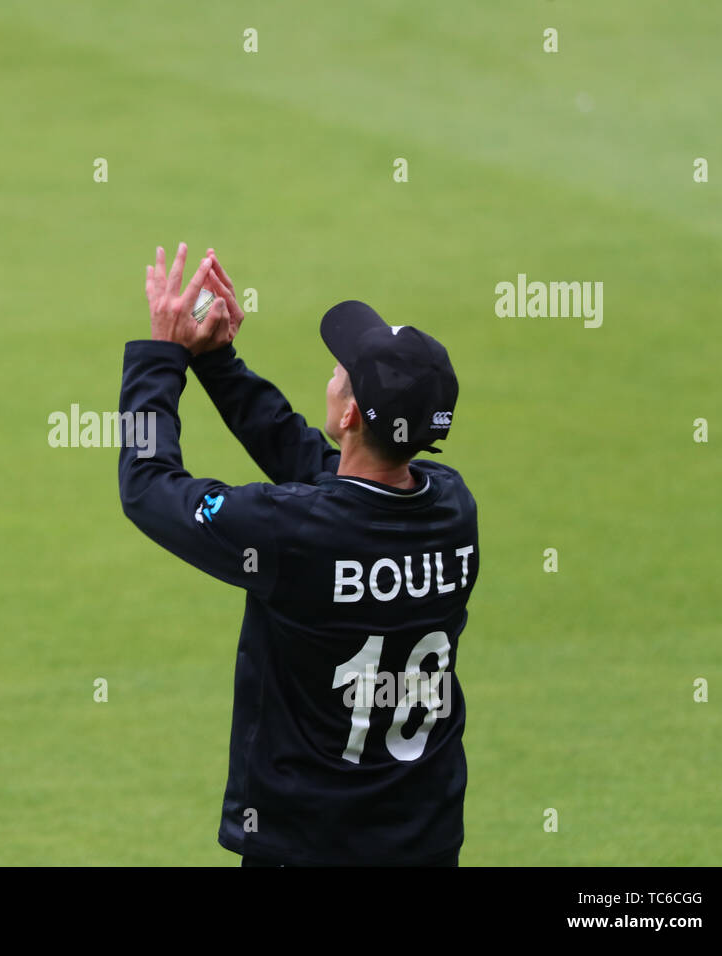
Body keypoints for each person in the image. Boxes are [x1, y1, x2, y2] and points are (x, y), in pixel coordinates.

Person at [118, 242, 480, 866]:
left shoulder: (291, 531)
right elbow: (319, 468)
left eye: (343, 367)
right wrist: (218, 362)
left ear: (348, 413)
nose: (336, 365)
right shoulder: (451, 509)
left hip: (308, 849)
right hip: (424, 844)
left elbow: (147, 487)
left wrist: (163, 356)